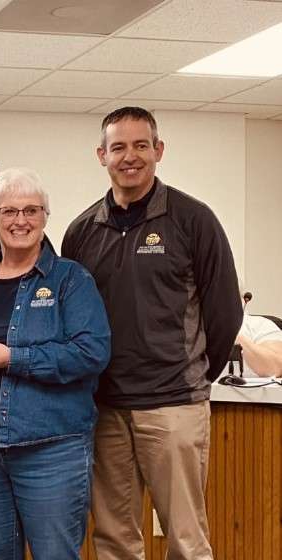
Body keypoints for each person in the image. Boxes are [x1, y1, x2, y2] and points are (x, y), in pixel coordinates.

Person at [62, 106, 243, 560]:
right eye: (118, 147)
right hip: (105, 410)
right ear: (100, 154)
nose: (130, 156)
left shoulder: (193, 220)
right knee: (114, 540)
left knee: (185, 541)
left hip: (174, 408)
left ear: (158, 150)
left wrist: (191, 376)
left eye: (141, 145)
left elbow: (224, 315)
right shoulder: (82, 233)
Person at [0, 167, 110, 559]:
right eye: (9, 211)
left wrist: (12, 358)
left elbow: (91, 353)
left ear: (46, 217)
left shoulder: (71, 280)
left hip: (51, 447)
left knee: (55, 554)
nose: (20, 221)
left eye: (31, 210)